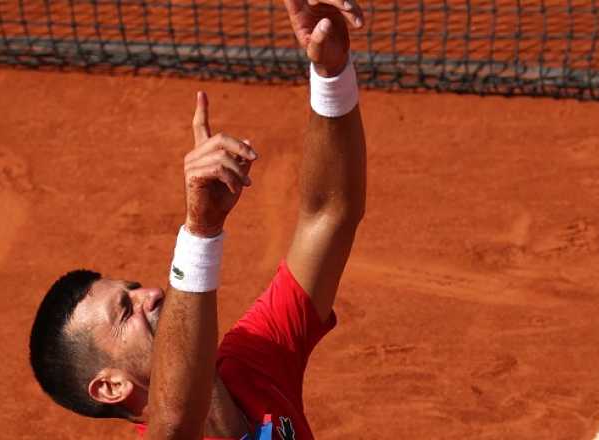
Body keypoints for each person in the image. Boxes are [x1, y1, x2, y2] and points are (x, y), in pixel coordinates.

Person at [29, 0, 366, 437]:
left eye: (132, 289)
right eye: (124, 311)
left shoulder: (251, 360)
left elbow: (330, 215)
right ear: (112, 386)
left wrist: (332, 75)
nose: (149, 294)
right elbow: (174, 418)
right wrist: (200, 231)